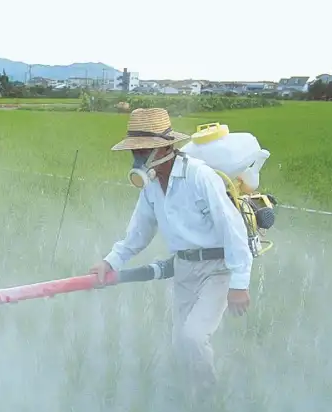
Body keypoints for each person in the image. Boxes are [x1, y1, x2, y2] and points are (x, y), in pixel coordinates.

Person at [89, 107, 253, 390]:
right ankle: (188, 395)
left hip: (217, 268)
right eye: (135, 152)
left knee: (193, 336)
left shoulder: (199, 177)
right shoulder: (151, 186)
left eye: (144, 151)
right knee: (180, 342)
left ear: (166, 147)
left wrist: (239, 284)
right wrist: (110, 262)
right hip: (184, 268)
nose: (138, 158)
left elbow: (232, 228)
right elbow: (139, 232)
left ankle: (209, 400)